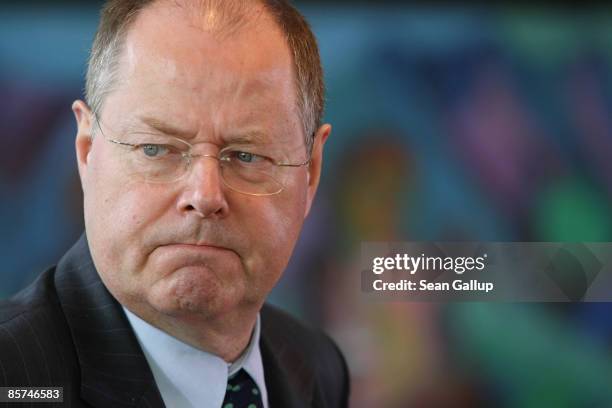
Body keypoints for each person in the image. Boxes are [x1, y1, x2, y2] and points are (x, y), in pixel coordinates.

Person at [0, 0, 349, 407]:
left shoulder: (319, 366)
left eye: (247, 155)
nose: (204, 196)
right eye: (156, 149)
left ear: (311, 173)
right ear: (87, 151)